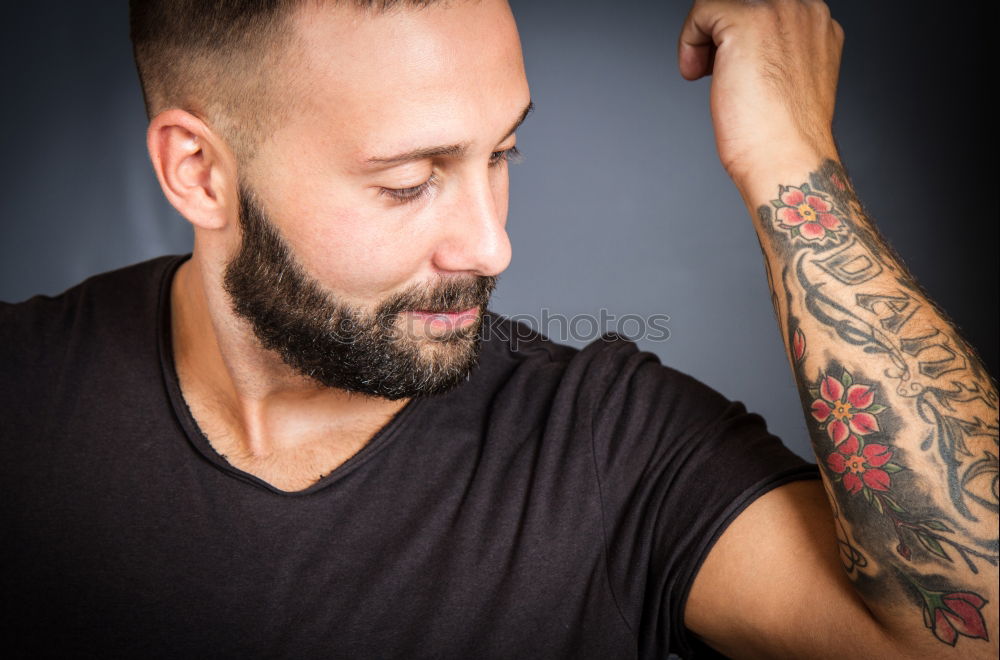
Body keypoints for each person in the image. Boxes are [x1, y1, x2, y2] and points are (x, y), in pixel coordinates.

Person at [1, 0, 996, 657]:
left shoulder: (606, 442)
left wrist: (787, 157)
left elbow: (967, 633)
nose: (491, 246)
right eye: (410, 180)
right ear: (198, 172)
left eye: (502, 153)